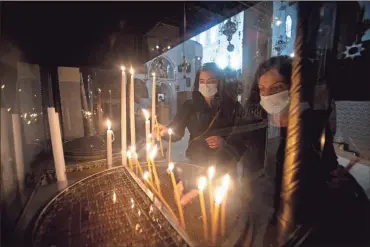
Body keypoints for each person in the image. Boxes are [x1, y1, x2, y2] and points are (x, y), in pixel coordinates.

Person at [234, 55, 370, 246]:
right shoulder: (258, 125)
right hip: (260, 214)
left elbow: (324, 168)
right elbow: (238, 151)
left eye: (277, 88)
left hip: (296, 221)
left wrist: (334, 177)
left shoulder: (312, 125)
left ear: (293, 88)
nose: (269, 96)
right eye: (263, 90)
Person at [154, 62, 242, 200]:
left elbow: (240, 135)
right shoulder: (189, 106)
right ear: (197, 83)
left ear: (219, 82)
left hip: (224, 163)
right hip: (198, 161)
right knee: (200, 202)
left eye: (211, 81)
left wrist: (224, 142)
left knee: (222, 205)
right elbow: (176, 132)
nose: (206, 85)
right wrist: (165, 131)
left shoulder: (232, 106)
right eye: (202, 81)